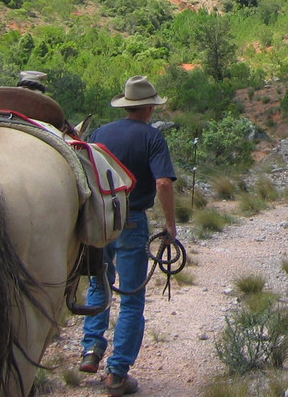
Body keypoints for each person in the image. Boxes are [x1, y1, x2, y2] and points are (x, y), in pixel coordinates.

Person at [79, 76, 176, 397]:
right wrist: (171, 227)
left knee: (99, 283)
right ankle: (117, 374)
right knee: (132, 298)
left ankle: (92, 349)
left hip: (100, 218)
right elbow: (163, 183)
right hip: (132, 220)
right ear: (149, 108)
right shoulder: (153, 137)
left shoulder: (101, 133)